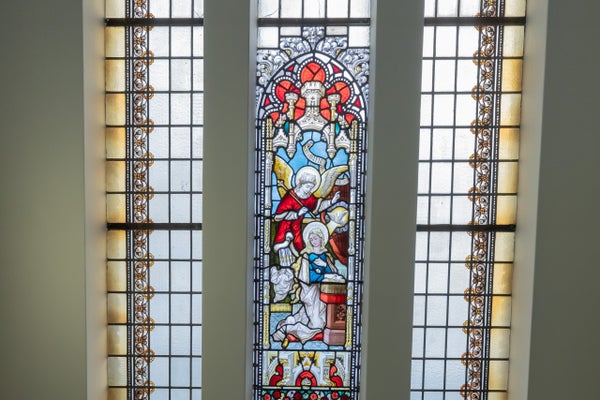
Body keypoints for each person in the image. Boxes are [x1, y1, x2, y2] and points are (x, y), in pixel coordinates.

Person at [272, 222, 344, 347]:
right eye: (311, 239)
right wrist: (324, 276)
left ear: (322, 238)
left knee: (323, 321)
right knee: (316, 325)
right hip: (312, 294)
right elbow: (306, 277)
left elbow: (333, 272)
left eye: (315, 238)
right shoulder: (307, 257)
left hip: (326, 292)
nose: (313, 241)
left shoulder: (326, 256)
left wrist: (324, 266)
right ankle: (288, 329)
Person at [273, 166, 340, 266]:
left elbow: (318, 207)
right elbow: (277, 217)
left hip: (297, 229)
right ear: (301, 184)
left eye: (311, 187)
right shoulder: (290, 196)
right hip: (285, 228)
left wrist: (331, 201)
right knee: (287, 254)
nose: (309, 190)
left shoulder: (308, 197)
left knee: (299, 251)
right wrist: (297, 214)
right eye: (308, 186)